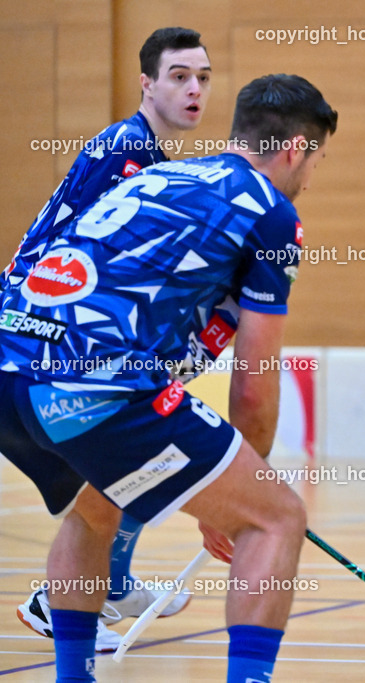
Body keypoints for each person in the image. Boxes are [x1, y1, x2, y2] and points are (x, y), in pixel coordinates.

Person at [0, 73, 337, 683]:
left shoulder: (159, 174)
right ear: (294, 150)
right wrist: (234, 497)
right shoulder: (271, 213)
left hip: (8, 361)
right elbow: (255, 380)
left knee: (95, 504)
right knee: (276, 517)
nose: (310, 179)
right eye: (315, 162)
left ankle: (73, 677)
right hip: (91, 377)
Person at [8, 26, 212, 652]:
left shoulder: (147, 153)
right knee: (121, 458)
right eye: (179, 76)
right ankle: (61, 602)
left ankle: (112, 582)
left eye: (203, 77)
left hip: (56, 328)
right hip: (42, 333)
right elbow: (84, 256)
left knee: (128, 463)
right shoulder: (128, 152)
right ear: (146, 83)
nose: (195, 88)